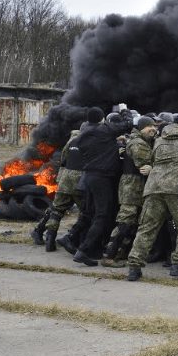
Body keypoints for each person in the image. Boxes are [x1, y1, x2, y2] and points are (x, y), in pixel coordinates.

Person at [126, 115, 178, 281]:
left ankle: (134, 268)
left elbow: (151, 159)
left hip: (154, 187)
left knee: (147, 227)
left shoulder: (158, 141)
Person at [72, 107, 132, 266]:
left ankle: (84, 248)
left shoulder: (83, 136)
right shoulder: (103, 130)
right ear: (101, 119)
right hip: (102, 177)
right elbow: (128, 123)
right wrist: (124, 110)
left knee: (92, 213)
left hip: (90, 177)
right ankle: (83, 250)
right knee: (102, 215)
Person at [100, 116, 156, 267]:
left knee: (132, 222)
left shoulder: (142, 141)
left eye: (154, 126)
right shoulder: (138, 143)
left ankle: (120, 252)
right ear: (141, 128)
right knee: (125, 221)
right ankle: (109, 255)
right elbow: (144, 164)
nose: (153, 129)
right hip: (132, 185)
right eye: (149, 126)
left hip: (136, 185)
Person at [34, 128, 84, 252]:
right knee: (86, 212)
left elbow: (64, 160)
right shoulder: (88, 141)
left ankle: (49, 240)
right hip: (79, 182)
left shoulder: (70, 142)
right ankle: (74, 239)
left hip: (65, 179)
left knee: (56, 210)